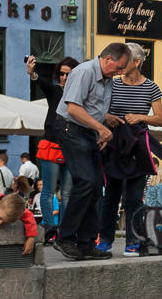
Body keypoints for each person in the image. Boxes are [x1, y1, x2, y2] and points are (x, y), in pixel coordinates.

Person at [53, 42, 131, 261]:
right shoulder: (84, 72)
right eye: (118, 67)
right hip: (69, 128)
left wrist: (102, 122)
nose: (120, 73)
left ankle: (86, 243)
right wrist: (101, 128)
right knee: (85, 181)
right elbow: (73, 108)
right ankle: (65, 238)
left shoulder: (108, 80)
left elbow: (91, 108)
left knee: (97, 186)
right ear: (108, 59)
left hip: (87, 132)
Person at [97, 43, 162, 256]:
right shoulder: (113, 84)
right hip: (114, 144)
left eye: (126, 61)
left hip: (137, 147)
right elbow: (99, 109)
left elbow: (160, 119)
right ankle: (105, 240)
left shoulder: (151, 87)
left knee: (134, 198)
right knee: (111, 197)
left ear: (137, 62)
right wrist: (107, 118)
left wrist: (141, 117)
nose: (121, 65)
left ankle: (133, 242)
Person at [27, 54, 78, 244]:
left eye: (68, 74)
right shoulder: (56, 91)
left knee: (66, 193)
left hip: (71, 145)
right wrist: (32, 74)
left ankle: (64, 230)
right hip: (52, 144)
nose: (64, 78)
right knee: (48, 190)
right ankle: (50, 227)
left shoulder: (80, 94)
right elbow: (43, 84)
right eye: (62, 74)